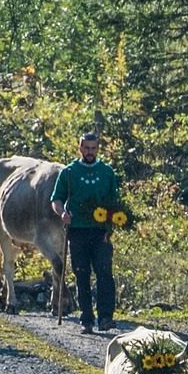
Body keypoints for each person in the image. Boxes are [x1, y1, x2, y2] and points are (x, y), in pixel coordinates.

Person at [49, 131, 121, 334]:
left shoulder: (107, 172)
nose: (90, 152)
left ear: (98, 149)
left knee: (104, 273)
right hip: (77, 230)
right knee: (81, 274)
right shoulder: (69, 172)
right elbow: (56, 199)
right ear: (80, 148)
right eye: (86, 148)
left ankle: (106, 317)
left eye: (93, 148)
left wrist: (110, 229)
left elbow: (114, 203)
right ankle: (86, 319)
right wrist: (62, 213)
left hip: (101, 232)